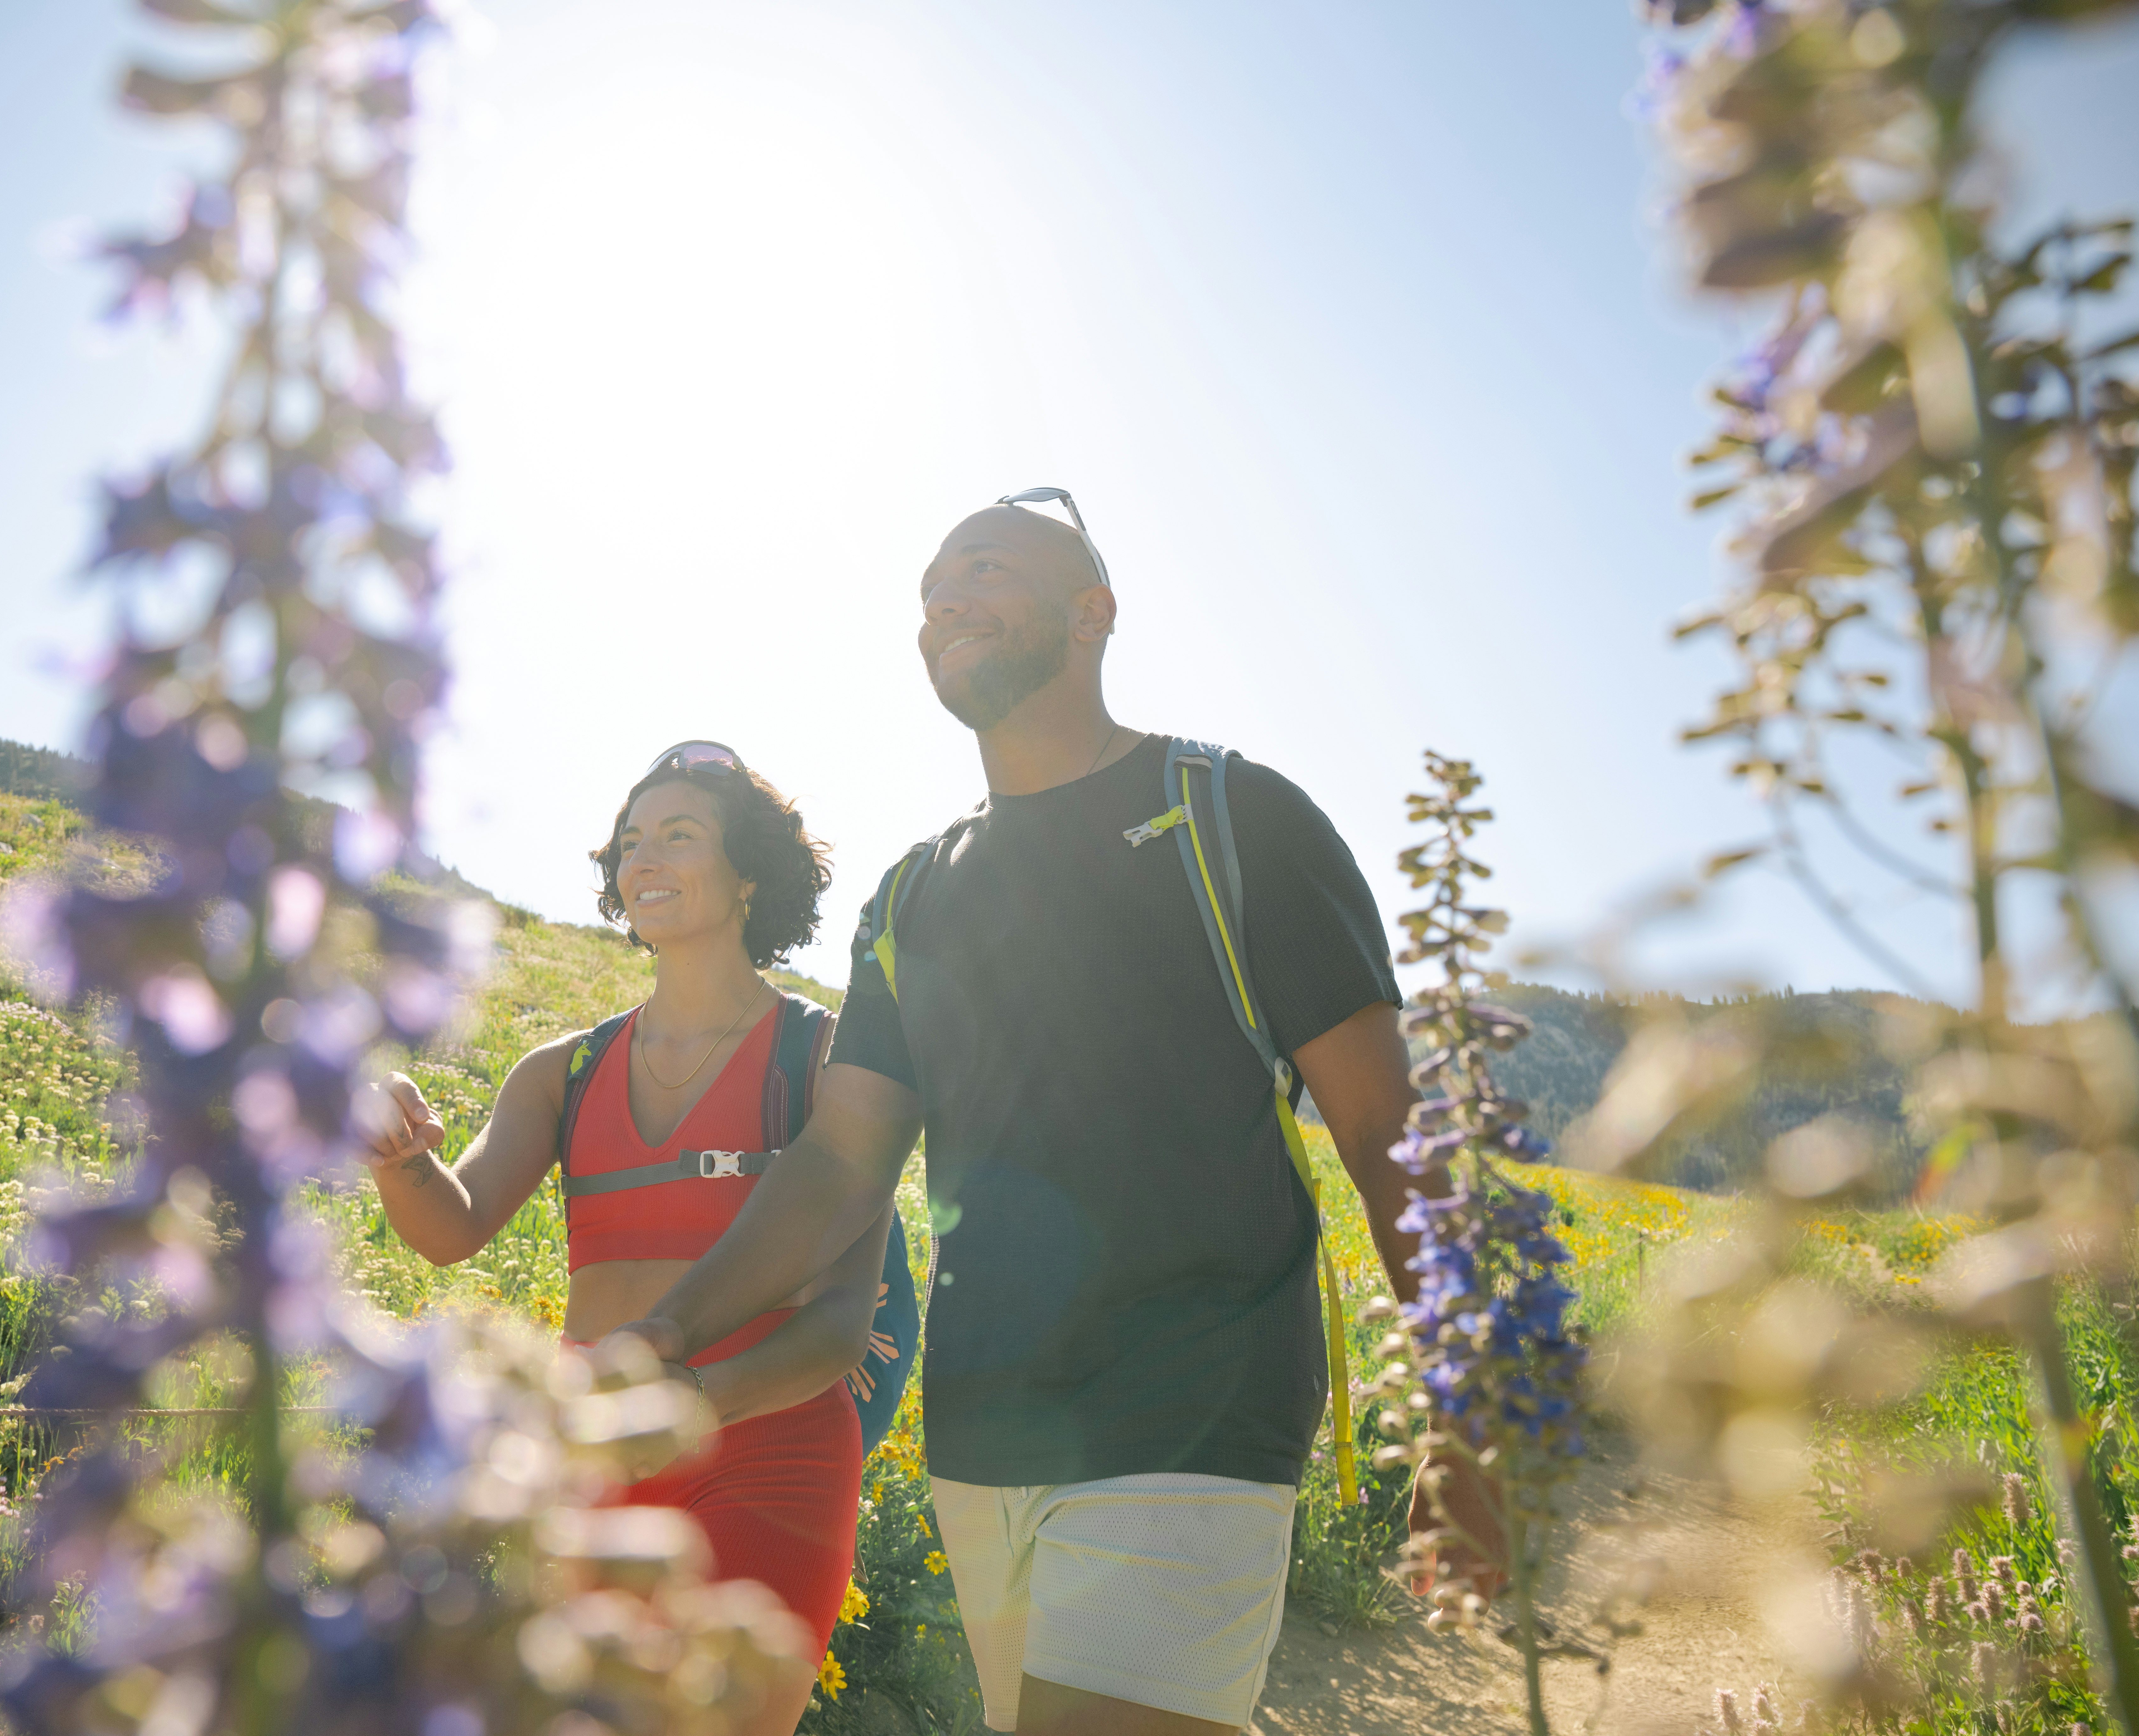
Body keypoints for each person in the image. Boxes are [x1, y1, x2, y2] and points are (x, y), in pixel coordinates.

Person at [608, 493, 1494, 1736]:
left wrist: (1469, 1404)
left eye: (983, 569)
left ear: (1094, 612)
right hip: (984, 1433)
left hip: (1192, 1403)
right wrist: (667, 1327)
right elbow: (841, 1161)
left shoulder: (1235, 815)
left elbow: (1390, 1133)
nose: (944, 605)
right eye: (928, 590)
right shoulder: (914, 894)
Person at [359, 743, 885, 1736]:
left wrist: (688, 1402)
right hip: (595, 1460)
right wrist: (399, 1156)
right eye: (631, 842)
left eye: (679, 836)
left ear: (749, 876)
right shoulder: (563, 1071)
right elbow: (450, 1229)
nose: (644, 858)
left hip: (768, 1458)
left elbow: (840, 1330)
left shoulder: (823, 1058)